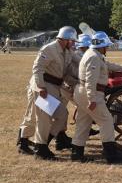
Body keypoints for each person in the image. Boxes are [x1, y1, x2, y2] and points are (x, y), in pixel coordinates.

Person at [18, 26, 78, 159]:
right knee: (43, 119)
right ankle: (40, 149)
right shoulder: (49, 49)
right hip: (43, 87)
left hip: (54, 87)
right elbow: (37, 68)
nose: (74, 43)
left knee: (62, 115)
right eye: (72, 41)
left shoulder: (67, 52)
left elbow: (72, 68)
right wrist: (41, 87)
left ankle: (42, 144)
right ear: (65, 39)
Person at [71, 32, 122, 163]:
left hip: (82, 92)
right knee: (106, 121)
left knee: (83, 122)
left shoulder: (94, 55)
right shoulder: (93, 57)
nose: (107, 49)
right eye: (106, 46)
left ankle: (77, 153)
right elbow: (91, 80)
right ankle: (111, 154)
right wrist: (92, 99)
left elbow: (107, 65)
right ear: (101, 46)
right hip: (91, 93)